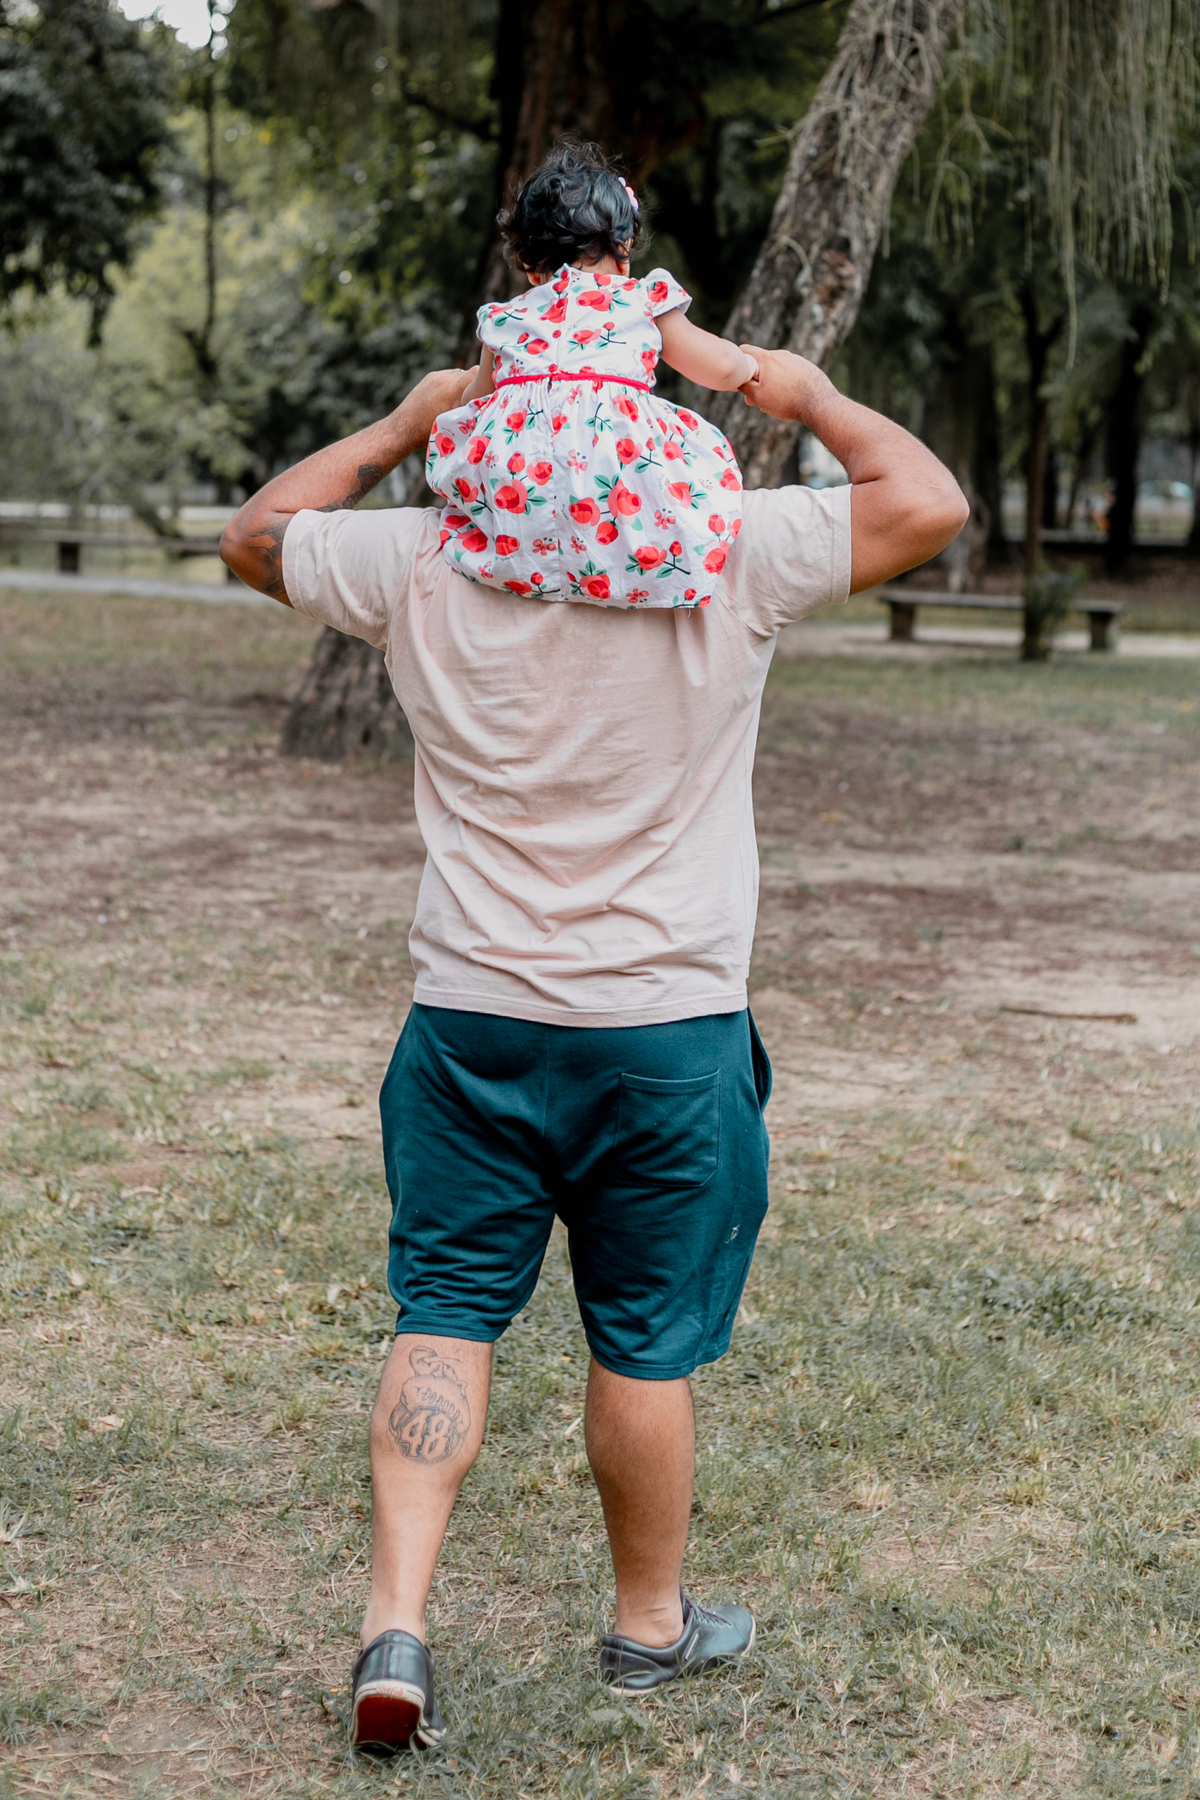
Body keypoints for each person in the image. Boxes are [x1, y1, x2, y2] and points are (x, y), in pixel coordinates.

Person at [220, 343, 968, 1753]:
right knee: (640, 1340)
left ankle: (397, 1627)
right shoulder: (732, 548)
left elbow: (255, 536)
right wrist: (785, 388)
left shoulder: (423, 559)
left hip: (471, 1020)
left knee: (443, 1306)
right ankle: (649, 1627)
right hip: (665, 1034)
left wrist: (406, 420)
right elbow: (924, 501)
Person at [427, 141, 757, 609]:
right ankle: (638, 570)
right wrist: (750, 366)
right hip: (617, 496)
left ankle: (523, 562)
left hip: (521, 513)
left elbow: (475, 400)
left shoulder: (505, 319)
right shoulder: (640, 300)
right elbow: (719, 367)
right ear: (624, 248)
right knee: (680, 472)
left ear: (527, 264)